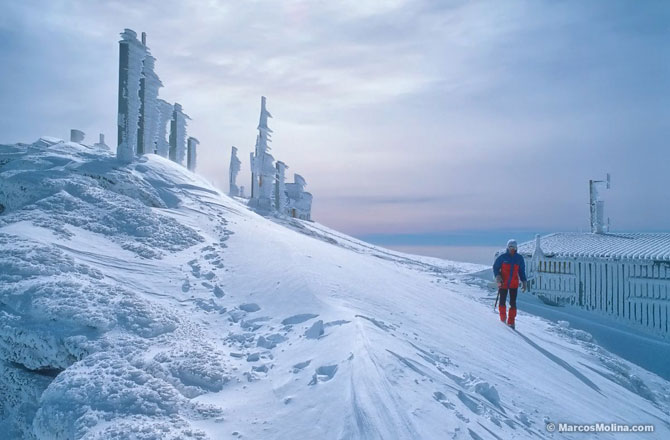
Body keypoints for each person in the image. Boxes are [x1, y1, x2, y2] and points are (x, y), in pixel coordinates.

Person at [493, 239, 527, 329]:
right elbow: (495, 268)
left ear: (516, 248)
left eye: (514, 247)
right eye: (510, 247)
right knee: (502, 301)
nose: (512, 249)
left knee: (513, 303)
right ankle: (502, 319)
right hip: (503, 283)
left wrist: (524, 281)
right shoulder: (503, 257)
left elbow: (521, 271)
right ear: (507, 247)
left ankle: (511, 322)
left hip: (514, 284)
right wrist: (498, 277)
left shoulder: (519, 258)